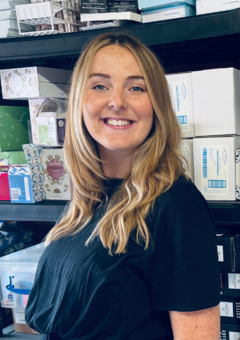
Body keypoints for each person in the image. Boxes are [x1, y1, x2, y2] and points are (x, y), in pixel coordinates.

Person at [25, 33, 220, 340]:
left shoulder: (176, 205)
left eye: (136, 88)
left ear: (156, 106)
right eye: (100, 85)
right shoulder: (88, 198)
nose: (117, 101)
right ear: (79, 100)